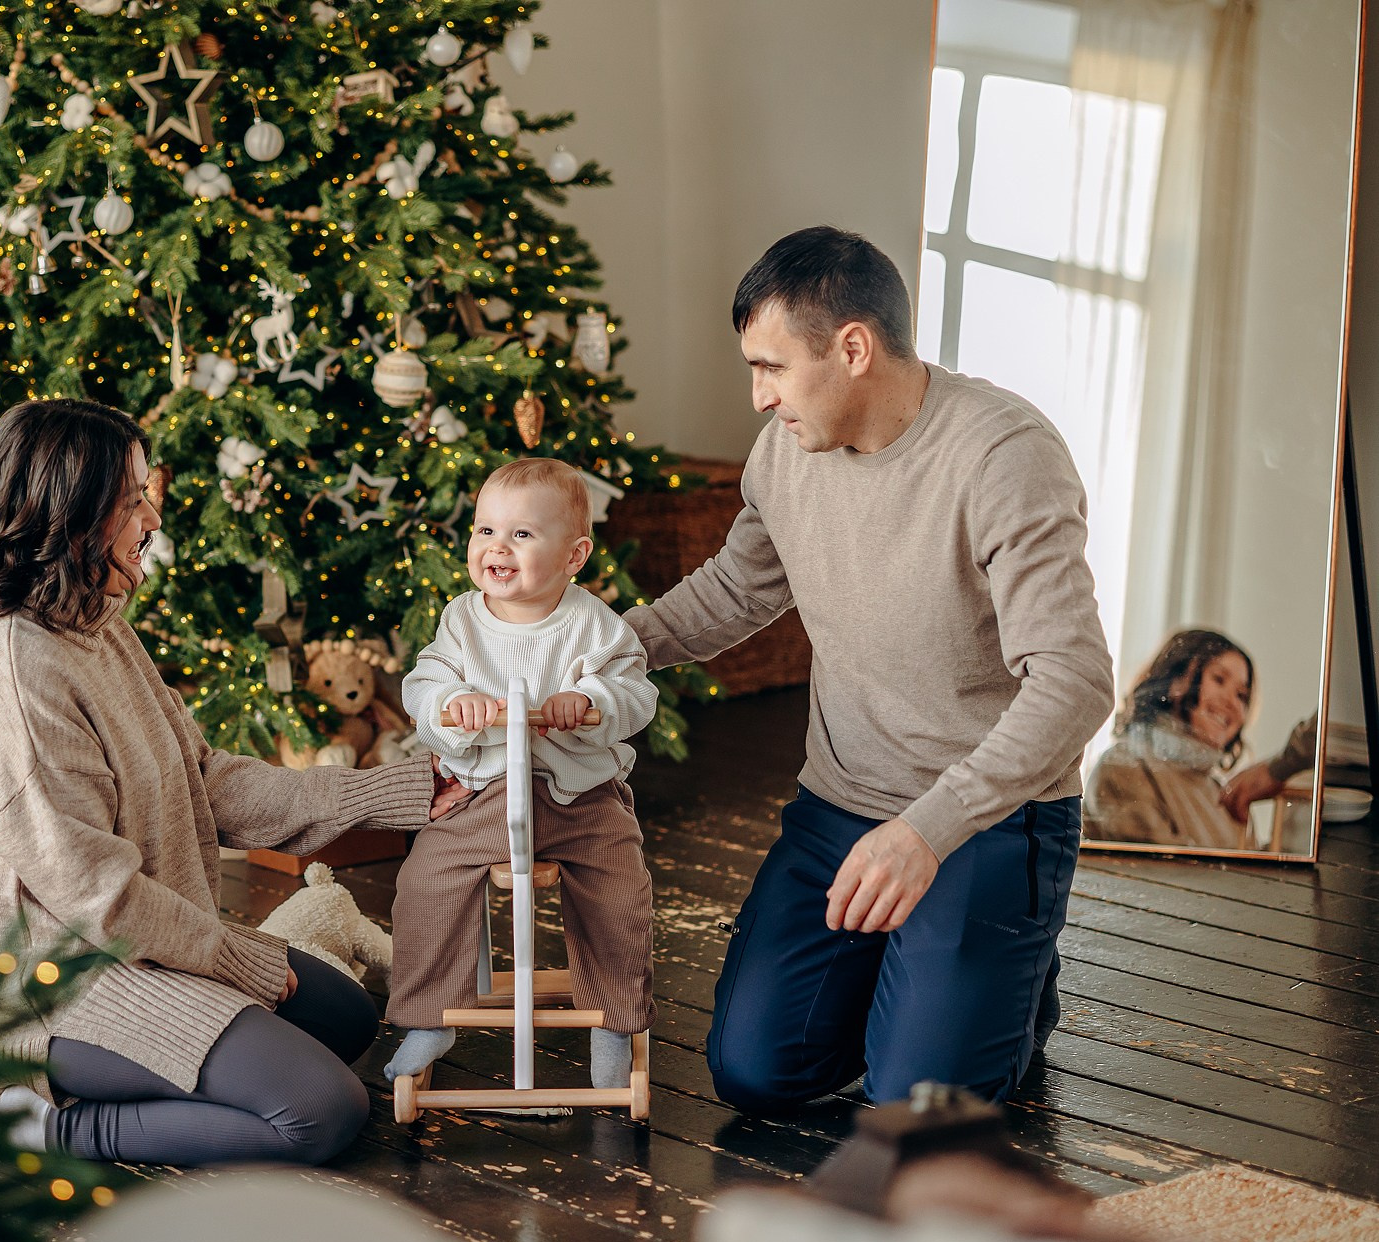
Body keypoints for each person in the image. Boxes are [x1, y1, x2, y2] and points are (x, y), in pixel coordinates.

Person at [623, 227, 1115, 1111]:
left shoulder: (1004, 456)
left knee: (911, 1105)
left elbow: (1075, 681)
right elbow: (740, 585)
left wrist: (928, 830)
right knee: (753, 1070)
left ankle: (1006, 963)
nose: (758, 396)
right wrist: (605, 652)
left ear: (853, 348)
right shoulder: (789, 448)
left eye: (771, 367)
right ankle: (941, 975)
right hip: (842, 804)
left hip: (988, 818)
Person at [0, 398, 468, 1168]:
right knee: (321, 1112)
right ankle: (37, 1126)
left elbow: (208, 781)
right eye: (132, 499)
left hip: (134, 946)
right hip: (58, 985)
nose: (152, 517)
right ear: (70, 513)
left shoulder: (92, 617)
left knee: (347, 1020)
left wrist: (401, 793)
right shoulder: (15, 673)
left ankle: (171, 1067)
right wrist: (241, 966)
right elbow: (99, 902)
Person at [383, 458, 660, 1089]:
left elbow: (635, 692)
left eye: (522, 535)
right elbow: (423, 685)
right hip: (481, 792)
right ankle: (430, 1016)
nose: (496, 548)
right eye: (485, 532)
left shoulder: (592, 623)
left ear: (574, 555)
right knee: (426, 880)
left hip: (579, 794)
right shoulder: (462, 619)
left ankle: (615, 1023)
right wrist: (452, 708)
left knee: (620, 892)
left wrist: (591, 702)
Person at [1083, 629, 1260, 848]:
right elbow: (1165, 873)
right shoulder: (1123, 766)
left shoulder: (1223, 796)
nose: (1232, 703)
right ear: (1175, 680)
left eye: (1241, 695)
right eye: (1219, 679)